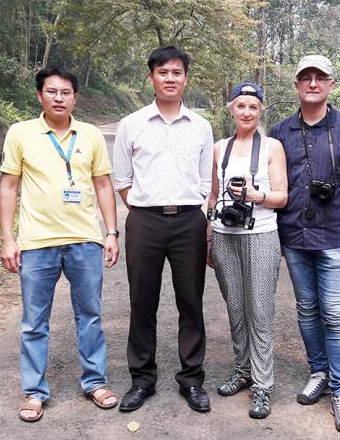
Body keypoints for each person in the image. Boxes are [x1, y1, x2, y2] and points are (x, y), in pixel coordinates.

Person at [0, 65, 120, 422]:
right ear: (39, 96)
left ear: (75, 98)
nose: (59, 98)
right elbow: (9, 186)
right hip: (37, 243)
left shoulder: (91, 135)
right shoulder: (21, 133)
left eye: (65, 93)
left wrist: (111, 232)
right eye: (51, 92)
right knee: (35, 322)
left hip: (84, 240)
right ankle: (34, 392)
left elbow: (102, 185)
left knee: (91, 316)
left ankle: (95, 382)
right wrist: (9, 239)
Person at [269, 55, 340, 434]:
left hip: (336, 236)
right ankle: (319, 371)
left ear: (331, 84)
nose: (313, 83)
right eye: (306, 78)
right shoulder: (280, 131)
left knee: (337, 315)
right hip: (294, 235)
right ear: (296, 85)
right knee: (307, 310)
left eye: (320, 78)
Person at [113, 45, 214, 413]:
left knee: (191, 302)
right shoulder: (132, 124)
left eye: (176, 73)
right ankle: (142, 379)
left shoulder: (201, 126)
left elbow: (206, 181)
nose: (170, 79)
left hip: (189, 219)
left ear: (186, 78)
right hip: (144, 220)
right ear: (151, 77)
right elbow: (122, 179)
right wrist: (144, 209)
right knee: (142, 301)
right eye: (162, 72)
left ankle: (192, 379)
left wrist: (193, 212)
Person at [206, 82, 288, 419]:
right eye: (240, 106)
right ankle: (243, 370)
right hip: (225, 234)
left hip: (262, 234)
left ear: (261, 111)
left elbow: (282, 196)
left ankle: (263, 385)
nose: (247, 112)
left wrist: (259, 197)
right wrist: (208, 235)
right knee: (236, 307)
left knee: (260, 310)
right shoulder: (218, 148)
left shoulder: (272, 146)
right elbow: (211, 197)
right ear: (231, 109)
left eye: (253, 107)